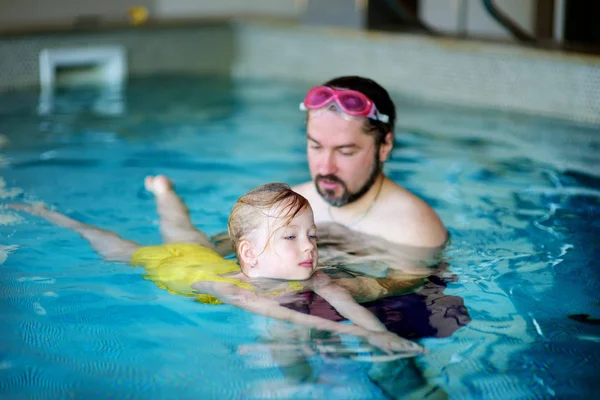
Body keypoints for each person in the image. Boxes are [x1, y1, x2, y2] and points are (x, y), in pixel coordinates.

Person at [9, 175, 424, 356]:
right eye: (291, 237)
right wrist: (360, 338)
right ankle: (55, 216)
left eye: (312, 235)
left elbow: (348, 306)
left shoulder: (312, 274)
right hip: (170, 268)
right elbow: (294, 319)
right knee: (111, 244)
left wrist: (377, 333)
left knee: (180, 226)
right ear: (249, 255)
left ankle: (161, 189)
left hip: (201, 256)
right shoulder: (235, 289)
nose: (309, 247)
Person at [294, 76, 447, 251]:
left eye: (346, 152)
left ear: (384, 146)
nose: (326, 168)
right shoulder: (285, 209)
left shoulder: (414, 231)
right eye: (316, 146)